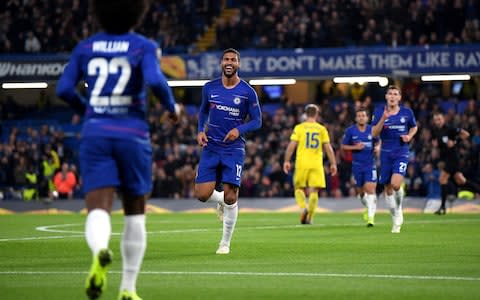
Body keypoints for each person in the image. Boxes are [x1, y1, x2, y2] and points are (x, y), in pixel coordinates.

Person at [56, 0, 180, 299]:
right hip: (132, 134)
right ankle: (128, 289)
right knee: (135, 213)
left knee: (98, 207)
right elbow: (153, 79)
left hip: (96, 132)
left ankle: (100, 250)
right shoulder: (143, 45)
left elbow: (62, 89)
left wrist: (87, 109)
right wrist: (171, 106)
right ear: (138, 13)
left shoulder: (86, 47)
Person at [194, 48, 262, 255]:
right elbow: (203, 111)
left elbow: (258, 121)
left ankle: (225, 243)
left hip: (234, 149)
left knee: (232, 197)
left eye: (233, 60)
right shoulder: (209, 87)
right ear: (221, 63)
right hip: (211, 146)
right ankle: (220, 202)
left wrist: (238, 129)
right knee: (201, 194)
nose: (229, 62)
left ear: (238, 64)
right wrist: (199, 131)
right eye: (226, 59)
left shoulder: (247, 92)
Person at [372, 85, 417, 233]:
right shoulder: (379, 112)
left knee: (396, 184)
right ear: (386, 97)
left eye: (395, 94)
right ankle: (395, 218)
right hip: (385, 153)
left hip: (401, 151)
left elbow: (414, 127)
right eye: (390, 94)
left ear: (399, 97)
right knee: (388, 189)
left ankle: (399, 209)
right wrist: (383, 119)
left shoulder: (407, 112)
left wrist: (409, 136)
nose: (392, 96)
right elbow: (374, 133)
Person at [283, 104, 337, 225]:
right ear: (317, 114)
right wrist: (333, 163)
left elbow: (292, 145)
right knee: (314, 191)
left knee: (298, 188)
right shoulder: (321, 129)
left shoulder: (299, 128)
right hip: (316, 163)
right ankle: (310, 217)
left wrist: (286, 160)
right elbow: (328, 148)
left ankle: (303, 208)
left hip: (302, 162)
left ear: (305, 114)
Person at [431, 112, 480, 214]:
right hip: (447, 159)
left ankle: (442, 207)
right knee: (461, 181)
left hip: (453, 158)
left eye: (439, 119)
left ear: (443, 119)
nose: (437, 121)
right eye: (436, 120)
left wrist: (455, 142)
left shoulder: (450, 128)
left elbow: (466, 134)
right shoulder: (436, 131)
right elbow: (441, 145)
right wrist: (436, 146)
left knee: (442, 179)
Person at [341, 107, 378, 227]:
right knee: (361, 194)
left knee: (370, 189)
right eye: (359, 116)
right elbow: (344, 146)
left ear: (367, 118)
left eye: (363, 115)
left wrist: (378, 147)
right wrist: (355, 148)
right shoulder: (350, 131)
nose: (361, 118)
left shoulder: (372, 130)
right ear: (356, 118)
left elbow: (378, 141)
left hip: (370, 165)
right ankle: (368, 207)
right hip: (357, 166)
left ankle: (371, 218)